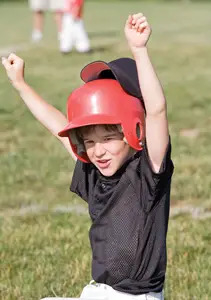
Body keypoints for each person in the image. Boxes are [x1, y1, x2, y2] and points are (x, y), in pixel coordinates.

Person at [2, 13, 174, 300]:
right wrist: (20, 84)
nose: (98, 150)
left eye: (108, 139)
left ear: (134, 131)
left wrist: (139, 50)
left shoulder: (148, 175)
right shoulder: (94, 171)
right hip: (99, 291)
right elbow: (57, 124)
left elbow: (156, 110)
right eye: (90, 142)